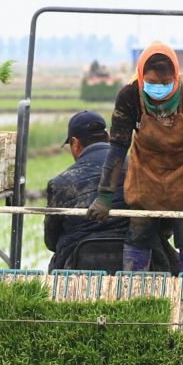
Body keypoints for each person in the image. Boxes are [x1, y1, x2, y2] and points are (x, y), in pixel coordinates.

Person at [90, 42, 183, 273]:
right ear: (141, 77)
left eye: (165, 84)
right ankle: (134, 288)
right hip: (145, 174)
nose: (159, 89)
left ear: (175, 77)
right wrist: (104, 195)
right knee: (139, 233)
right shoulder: (130, 95)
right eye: (152, 83)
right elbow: (117, 146)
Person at [43, 112, 130, 273]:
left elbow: (51, 241)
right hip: (136, 265)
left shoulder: (61, 184)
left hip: (78, 269)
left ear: (75, 143)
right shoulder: (137, 170)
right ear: (108, 137)